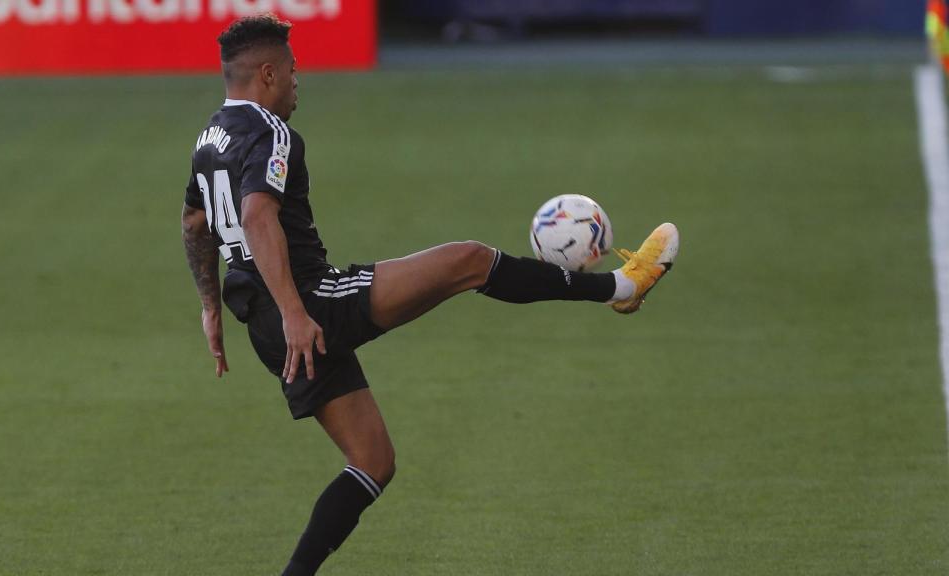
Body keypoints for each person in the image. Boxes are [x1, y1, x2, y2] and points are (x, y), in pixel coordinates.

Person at [181, 14, 679, 576]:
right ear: (267, 74)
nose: (300, 81)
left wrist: (208, 306)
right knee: (468, 261)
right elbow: (255, 214)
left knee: (373, 461)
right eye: (293, 70)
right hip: (307, 306)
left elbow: (196, 222)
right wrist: (297, 312)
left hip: (265, 327)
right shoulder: (272, 132)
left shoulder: (209, 137)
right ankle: (622, 285)